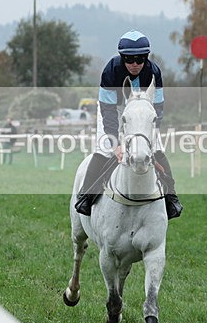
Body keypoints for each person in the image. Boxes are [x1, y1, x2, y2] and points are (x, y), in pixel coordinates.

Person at [74, 30, 183, 219]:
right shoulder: (110, 70)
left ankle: (171, 197)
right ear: (122, 58)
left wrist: (151, 135)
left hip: (142, 112)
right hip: (114, 110)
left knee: (157, 148)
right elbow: (108, 111)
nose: (134, 64)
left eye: (140, 59)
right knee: (104, 149)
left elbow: (157, 109)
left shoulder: (154, 72)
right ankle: (86, 196)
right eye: (129, 59)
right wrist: (116, 143)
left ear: (146, 58)